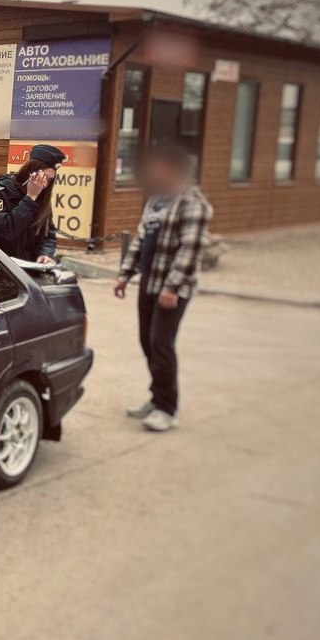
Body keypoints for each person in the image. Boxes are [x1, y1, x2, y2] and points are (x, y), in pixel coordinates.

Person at [114, 144, 212, 433]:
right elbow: (141, 240)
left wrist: (172, 287)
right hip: (149, 282)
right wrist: (125, 274)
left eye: (158, 166)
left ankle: (166, 409)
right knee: (147, 341)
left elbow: (190, 250)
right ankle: (157, 397)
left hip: (172, 289)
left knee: (161, 344)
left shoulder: (193, 204)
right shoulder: (156, 200)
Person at [0, 143, 66, 263]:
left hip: (29, 267)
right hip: (0, 264)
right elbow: (6, 231)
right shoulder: (0, 191)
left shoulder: (41, 197)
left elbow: (49, 236)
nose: (45, 184)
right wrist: (30, 197)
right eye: (43, 177)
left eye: (49, 179)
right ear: (31, 172)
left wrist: (45, 254)